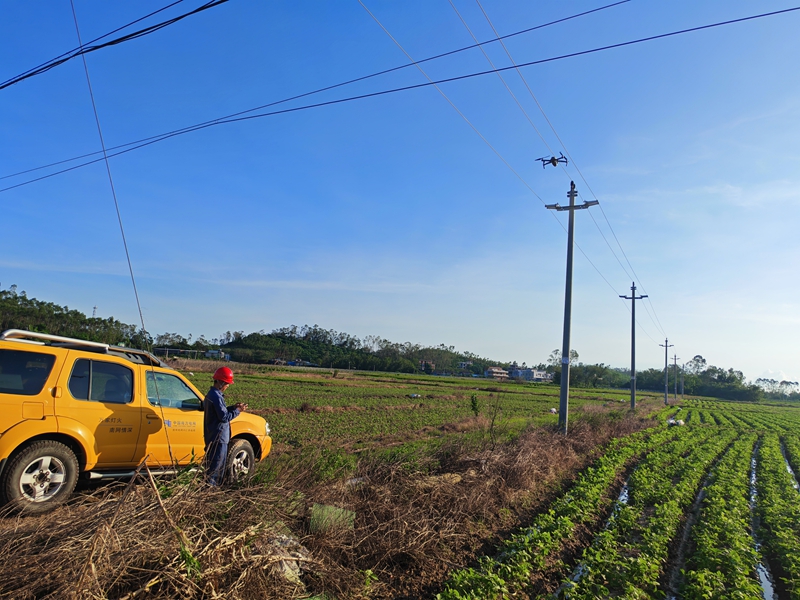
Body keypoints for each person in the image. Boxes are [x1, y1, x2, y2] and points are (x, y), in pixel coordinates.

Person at [203, 366, 247, 486]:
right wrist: (238, 410)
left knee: (211, 468)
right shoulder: (216, 397)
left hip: (213, 437)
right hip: (219, 438)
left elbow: (220, 412)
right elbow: (224, 417)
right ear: (221, 382)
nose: (227, 386)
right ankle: (209, 495)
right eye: (227, 383)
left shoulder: (211, 394)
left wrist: (233, 408)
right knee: (215, 471)